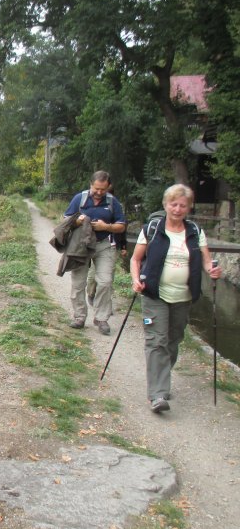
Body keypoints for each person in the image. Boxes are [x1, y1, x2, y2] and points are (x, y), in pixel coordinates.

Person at [129, 183, 222, 413]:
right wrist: (135, 280)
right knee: (156, 340)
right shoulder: (152, 228)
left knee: (173, 340)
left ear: (189, 208)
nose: (178, 209)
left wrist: (212, 270)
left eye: (183, 205)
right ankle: (158, 394)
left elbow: (207, 260)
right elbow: (135, 259)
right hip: (154, 294)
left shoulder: (194, 232)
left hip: (184, 296)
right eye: (174, 204)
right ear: (165, 205)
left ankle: (161, 378)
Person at [63, 171, 127, 334]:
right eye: (96, 189)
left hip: (103, 244)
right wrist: (78, 221)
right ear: (91, 184)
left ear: (108, 187)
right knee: (78, 283)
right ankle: (79, 317)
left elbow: (121, 225)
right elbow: (65, 219)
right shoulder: (80, 198)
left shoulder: (113, 202)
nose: (99, 193)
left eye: (103, 189)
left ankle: (101, 318)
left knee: (105, 282)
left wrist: (107, 227)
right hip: (81, 245)